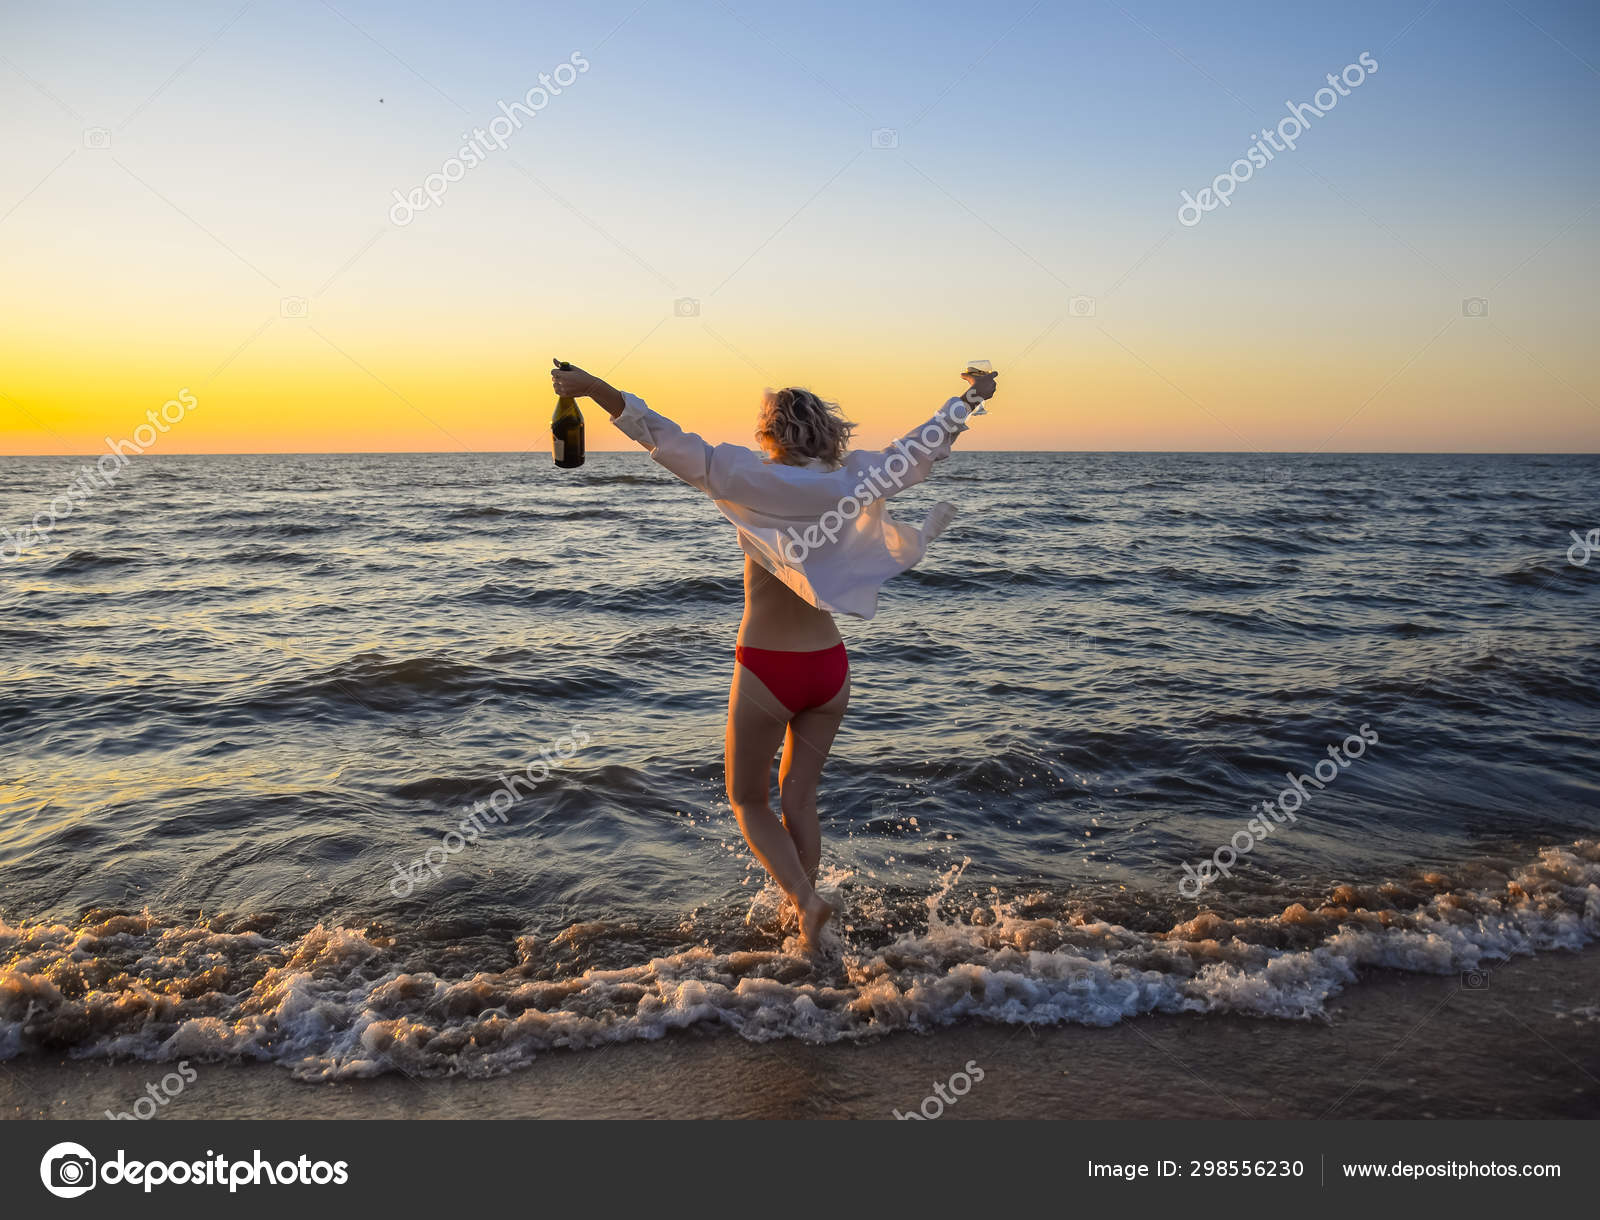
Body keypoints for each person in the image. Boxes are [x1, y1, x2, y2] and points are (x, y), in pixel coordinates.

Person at [550, 362, 999, 950]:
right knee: (800, 798)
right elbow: (924, 445)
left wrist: (590, 388)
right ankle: (808, 924)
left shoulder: (739, 474)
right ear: (828, 432)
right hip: (829, 668)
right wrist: (973, 396)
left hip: (768, 666)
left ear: (771, 434)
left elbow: (657, 432)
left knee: (747, 797)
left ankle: (807, 904)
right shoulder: (858, 479)